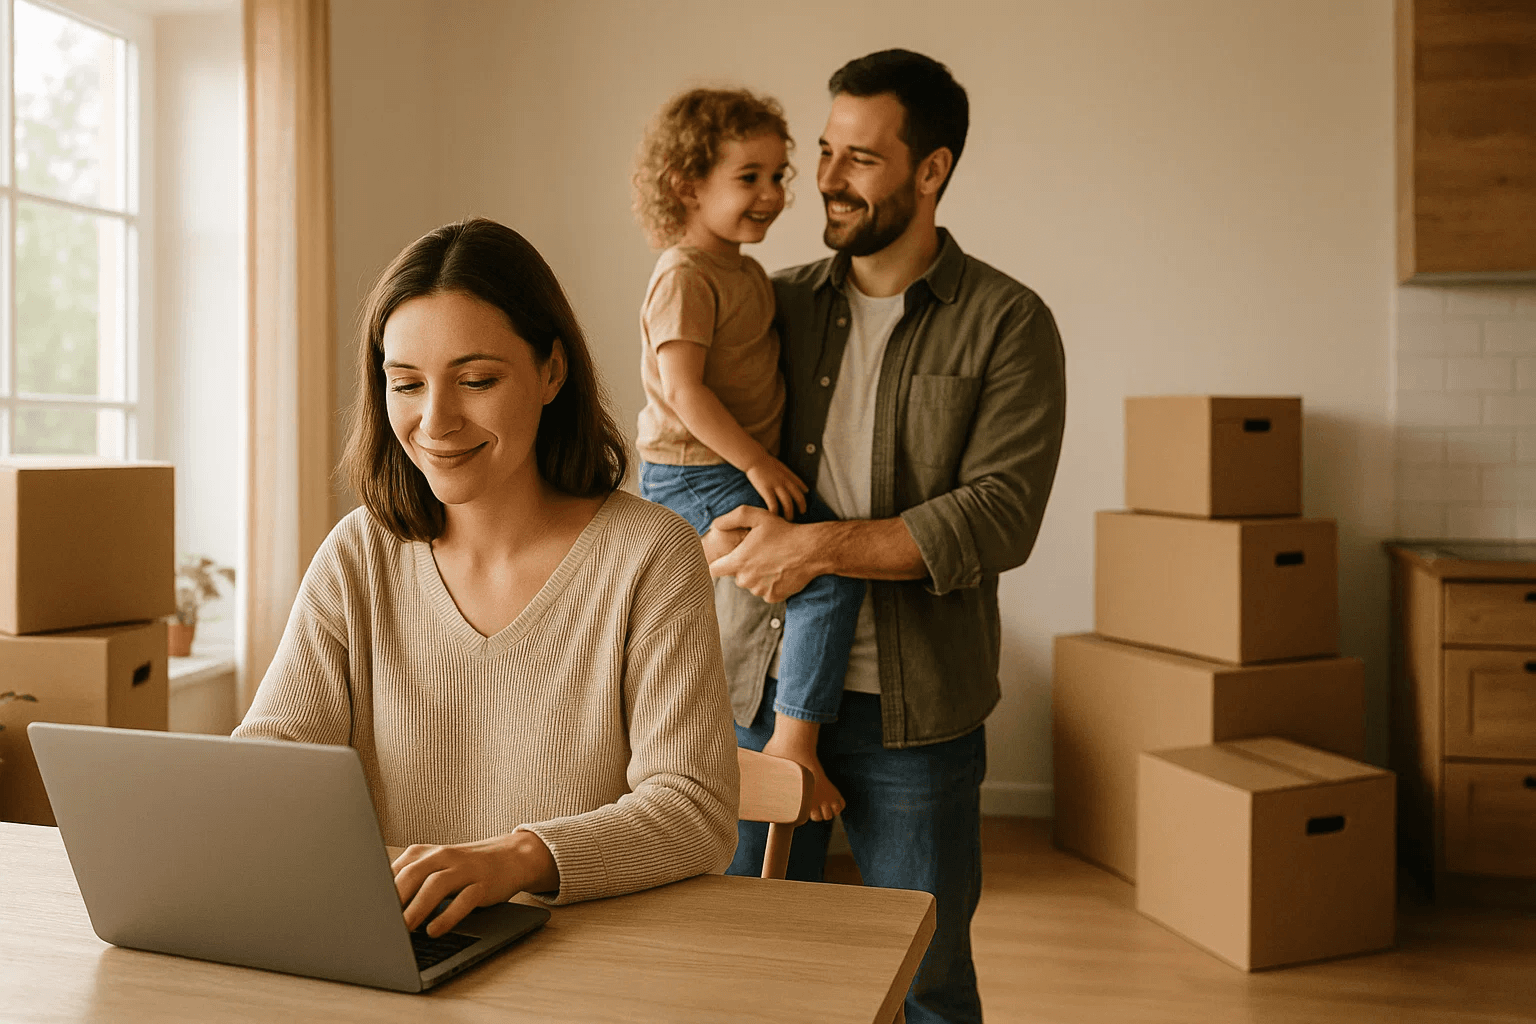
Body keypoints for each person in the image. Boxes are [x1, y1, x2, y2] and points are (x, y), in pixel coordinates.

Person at [234, 218, 739, 938]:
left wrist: (517, 859)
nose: (434, 421)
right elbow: (276, 755)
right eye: (405, 384)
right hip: (400, 952)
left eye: (475, 380)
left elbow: (695, 810)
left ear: (551, 373)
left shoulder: (651, 555)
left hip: (590, 965)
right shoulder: (360, 554)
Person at [707, 51, 1067, 1024]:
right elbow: (690, 434)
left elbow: (1000, 513)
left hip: (920, 714)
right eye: (824, 151)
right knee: (754, 964)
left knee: (927, 979)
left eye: (859, 158)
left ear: (931, 170)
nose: (824, 178)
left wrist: (814, 548)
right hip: (762, 690)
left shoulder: (1008, 322)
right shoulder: (770, 300)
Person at [630, 87, 864, 821]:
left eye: (777, 175)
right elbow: (686, 392)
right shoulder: (686, 275)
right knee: (826, 571)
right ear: (686, 184)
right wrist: (759, 463)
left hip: (725, 462)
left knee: (809, 573)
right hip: (694, 468)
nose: (770, 195)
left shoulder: (744, 272)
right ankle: (792, 747)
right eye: (748, 177)